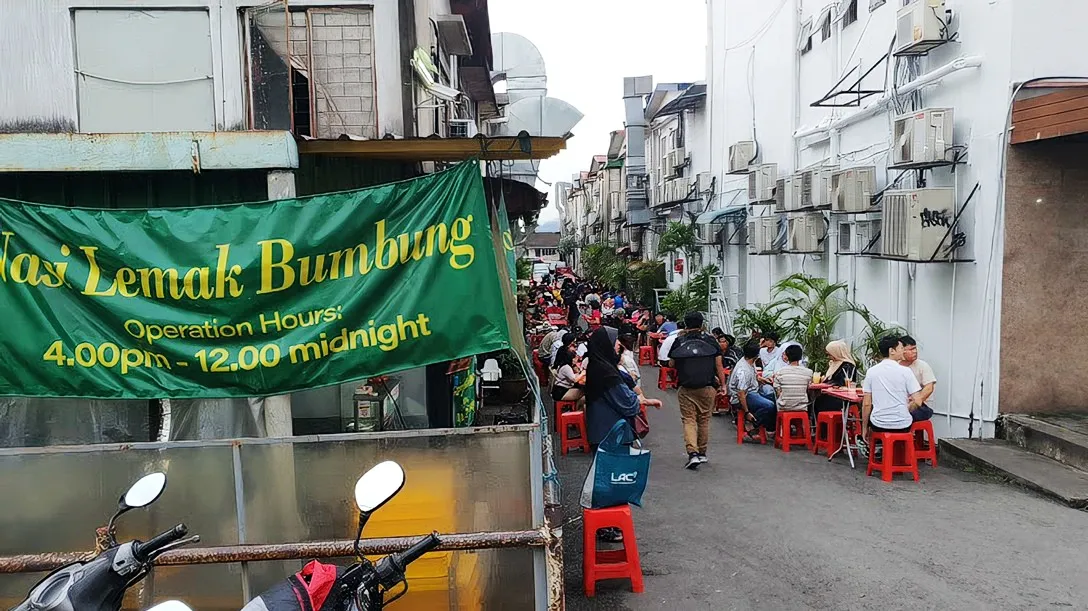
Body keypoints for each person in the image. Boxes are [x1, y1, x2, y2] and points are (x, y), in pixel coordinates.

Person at [669, 312, 727, 469]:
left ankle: (692, 453)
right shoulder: (711, 341)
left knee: (689, 420)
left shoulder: (679, 341)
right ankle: (702, 453)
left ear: (686, 324)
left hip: (686, 387)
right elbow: (719, 366)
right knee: (704, 419)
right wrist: (723, 385)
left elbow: (672, 364)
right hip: (708, 386)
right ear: (702, 324)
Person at [861, 336, 924, 442]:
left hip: (879, 423)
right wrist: (906, 409)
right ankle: (900, 455)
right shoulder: (906, 372)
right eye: (901, 348)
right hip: (902, 424)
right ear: (891, 351)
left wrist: (864, 428)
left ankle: (880, 453)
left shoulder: (871, 372)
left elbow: (867, 404)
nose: (903, 350)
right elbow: (918, 401)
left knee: (875, 427)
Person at [731, 341, 777, 438]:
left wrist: (760, 379)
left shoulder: (749, 362)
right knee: (769, 405)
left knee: (775, 397)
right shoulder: (743, 371)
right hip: (743, 396)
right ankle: (751, 424)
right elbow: (741, 394)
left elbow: (753, 376)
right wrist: (747, 412)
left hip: (752, 391)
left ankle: (771, 428)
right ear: (756, 355)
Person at [814, 339, 859, 414]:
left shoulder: (847, 366)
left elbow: (840, 382)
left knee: (819, 402)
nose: (829, 357)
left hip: (841, 397)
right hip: (832, 394)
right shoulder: (834, 364)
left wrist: (827, 384)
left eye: (830, 354)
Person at [898, 335, 936, 422]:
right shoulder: (895, 366)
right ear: (901, 350)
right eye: (911, 349)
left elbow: (929, 388)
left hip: (921, 405)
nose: (915, 352)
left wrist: (914, 403)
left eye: (915, 348)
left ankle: (906, 435)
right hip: (900, 404)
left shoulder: (922, 366)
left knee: (904, 417)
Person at [773, 344, 814, 414]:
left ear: (787, 357)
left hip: (784, 406)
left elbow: (778, 392)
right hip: (802, 407)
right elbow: (809, 389)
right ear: (801, 357)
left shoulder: (780, 372)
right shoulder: (809, 372)